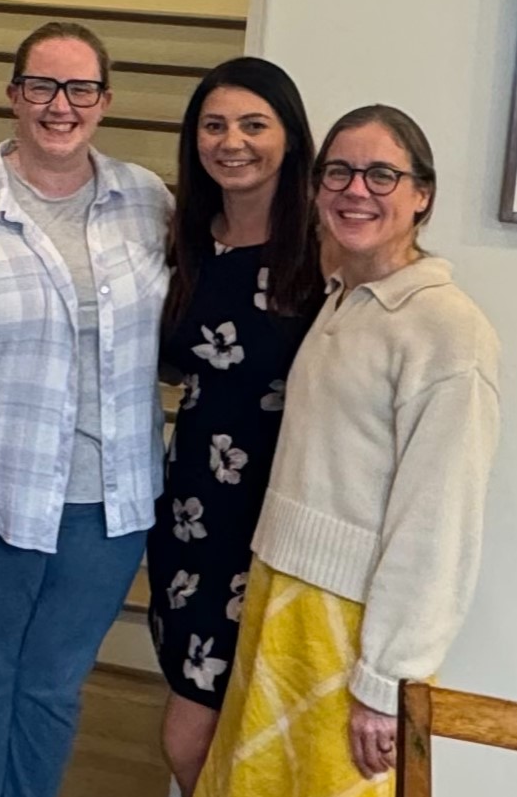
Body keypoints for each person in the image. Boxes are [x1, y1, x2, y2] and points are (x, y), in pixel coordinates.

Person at [194, 105, 500, 797]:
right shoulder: (342, 298)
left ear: (421, 194)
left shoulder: (447, 331)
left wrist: (387, 675)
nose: (354, 189)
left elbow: (439, 522)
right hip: (283, 600)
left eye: (381, 174)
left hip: (352, 626)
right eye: (338, 171)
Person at [0, 21, 173, 797]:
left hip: (109, 502)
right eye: (42, 87)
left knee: (55, 684)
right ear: (13, 94)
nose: (60, 106)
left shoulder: (145, 202)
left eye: (79, 89)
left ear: (104, 100)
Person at [145, 57, 324, 795]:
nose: (231, 141)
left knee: (194, 735)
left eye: (254, 124)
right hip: (188, 509)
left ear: (289, 137)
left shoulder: (322, 248)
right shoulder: (181, 236)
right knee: (203, 730)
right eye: (214, 125)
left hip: (279, 516)